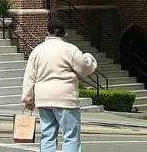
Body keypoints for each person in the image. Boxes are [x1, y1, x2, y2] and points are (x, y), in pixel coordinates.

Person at [21, 18, 97, 152]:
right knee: (70, 136)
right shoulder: (70, 49)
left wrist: (28, 98)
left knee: (47, 135)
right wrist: (89, 58)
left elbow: (29, 77)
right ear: (64, 33)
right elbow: (84, 69)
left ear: (47, 32)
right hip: (66, 98)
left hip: (44, 98)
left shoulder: (37, 50)